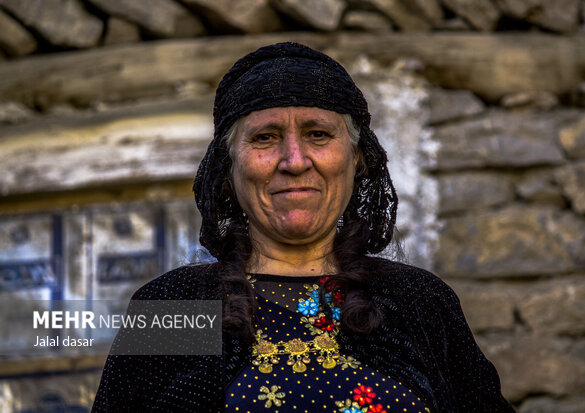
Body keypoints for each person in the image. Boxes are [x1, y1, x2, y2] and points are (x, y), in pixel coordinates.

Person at [93, 42, 514, 412]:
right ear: (229, 167)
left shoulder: (420, 303)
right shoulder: (174, 307)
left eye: (318, 134)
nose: (294, 161)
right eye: (264, 138)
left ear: (357, 158)